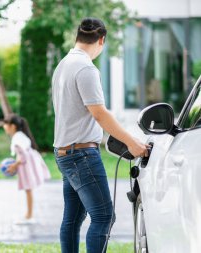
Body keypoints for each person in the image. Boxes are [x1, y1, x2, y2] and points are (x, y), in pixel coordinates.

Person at [52, 18, 149, 253]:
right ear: (101, 40)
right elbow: (99, 113)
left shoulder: (63, 65)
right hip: (81, 155)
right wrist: (131, 142)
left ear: (78, 37)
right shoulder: (86, 68)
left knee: (72, 220)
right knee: (104, 216)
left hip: (64, 153)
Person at [3, 114, 51, 225]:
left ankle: (29, 216)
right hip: (27, 163)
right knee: (28, 190)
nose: (4, 126)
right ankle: (28, 215)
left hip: (26, 165)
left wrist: (14, 165)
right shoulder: (19, 135)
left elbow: (23, 155)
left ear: (13, 126)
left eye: (6, 124)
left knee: (28, 190)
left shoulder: (17, 137)